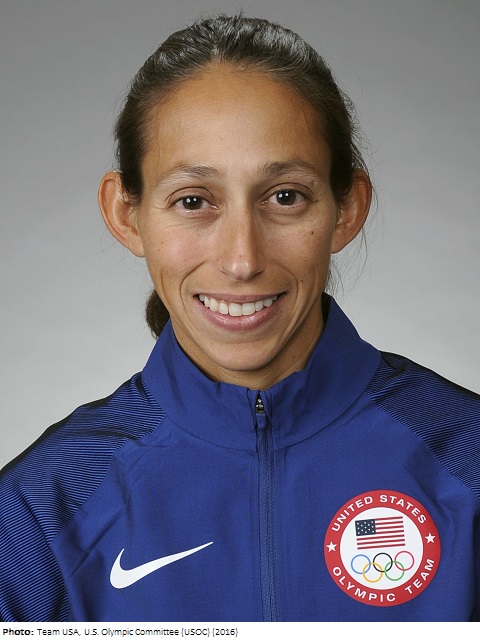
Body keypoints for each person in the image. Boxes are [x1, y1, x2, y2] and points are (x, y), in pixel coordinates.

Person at [0, 14, 479, 623]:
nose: (242, 260)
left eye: (285, 196)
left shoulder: (468, 458)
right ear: (126, 215)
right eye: (193, 201)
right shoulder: (42, 503)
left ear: (347, 208)